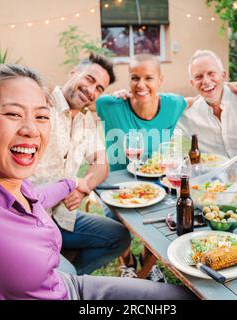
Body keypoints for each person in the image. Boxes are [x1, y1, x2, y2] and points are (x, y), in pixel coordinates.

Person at [0, 64, 195, 300]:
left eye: (41, 117)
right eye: (13, 114)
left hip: (67, 284)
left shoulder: (19, 186)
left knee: (180, 294)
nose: (31, 129)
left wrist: (73, 184)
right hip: (57, 280)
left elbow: (42, 194)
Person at [31, 53, 131, 275]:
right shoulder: (41, 105)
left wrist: (84, 186)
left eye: (99, 88)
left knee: (120, 237)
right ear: (74, 73)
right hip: (30, 221)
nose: (92, 90)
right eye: (89, 79)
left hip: (63, 216)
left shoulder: (86, 120)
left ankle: (67, 278)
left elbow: (101, 162)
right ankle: (56, 280)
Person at [96, 54, 191, 280]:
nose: (141, 84)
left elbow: (196, 98)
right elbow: (79, 101)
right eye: (134, 78)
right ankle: (127, 263)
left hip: (155, 181)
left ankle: (148, 268)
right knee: (117, 227)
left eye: (148, 78)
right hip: (116, 184)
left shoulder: (173, 104)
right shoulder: (109, 105)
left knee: (162, 221)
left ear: (160, 79)